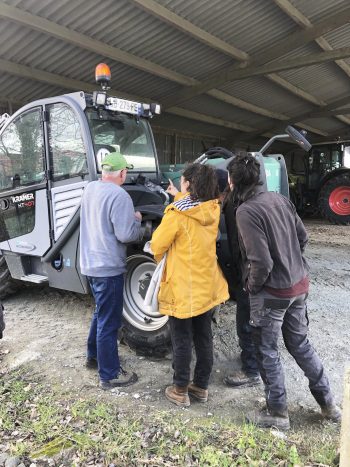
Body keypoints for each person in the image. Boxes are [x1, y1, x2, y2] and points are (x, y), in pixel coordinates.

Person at [227, 154, 341, 429]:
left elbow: (261, 261)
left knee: (266, 350)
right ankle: (329, 405)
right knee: (300, 345)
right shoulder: (280, 199)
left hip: (272, 293)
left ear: (234, 181)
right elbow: (303, 237)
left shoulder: (246, 211)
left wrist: (252, 286)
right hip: (299, 285)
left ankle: (277, 414)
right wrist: (293, 263)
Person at [150, 163, 229, 407]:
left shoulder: (177, 215)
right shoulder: (212, 209)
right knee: (204, 337)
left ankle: (180, 389)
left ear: (188, 185)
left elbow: (156, 246)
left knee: (181, 339)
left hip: (183, 288)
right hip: (206, 286)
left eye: (183, 181)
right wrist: (180, 195)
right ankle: (200, 387)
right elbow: (192, 204)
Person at [80, 151, 142, 390]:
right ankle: (110, 374)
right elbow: (125, 235)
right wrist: (136, 220)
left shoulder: (90, 189)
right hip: (108, 267)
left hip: (90, 264)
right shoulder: (120, 195)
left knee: (100, 312)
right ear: (123, 173)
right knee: (110, 321)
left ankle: (94, 356)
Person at [216, 168, 260, 388]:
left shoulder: (237, 208)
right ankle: (254, 359)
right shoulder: (267, 200)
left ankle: (251, 370)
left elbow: (239, 246)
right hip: (270, 276)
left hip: (249, 274)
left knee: (246, 320)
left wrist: (248, 281)